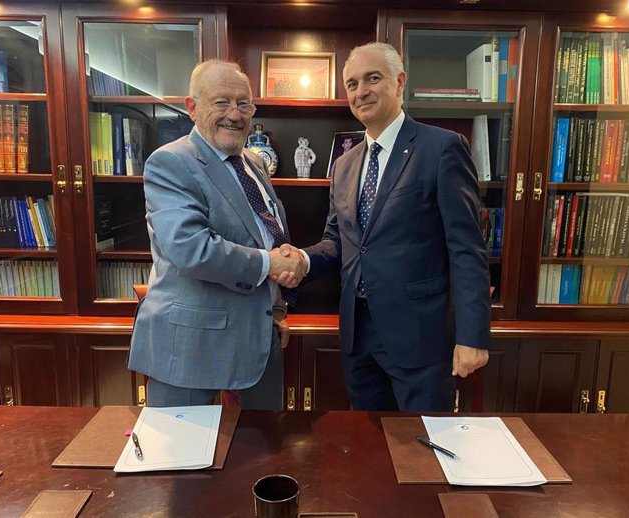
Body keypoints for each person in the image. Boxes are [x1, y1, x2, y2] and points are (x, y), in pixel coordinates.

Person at [277, 42, 490, 412]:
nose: (362, 92)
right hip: (358, 336)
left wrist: (473, 336)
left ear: (399, 81)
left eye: (373, 78)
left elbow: (466, 249)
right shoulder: (344, 164)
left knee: (423, 451)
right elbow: (338, 241)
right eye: (353, 83)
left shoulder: (441, 148)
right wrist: (303, 260)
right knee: (368, 447)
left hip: (420, 338)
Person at [128, 59, 306, 408]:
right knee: (183, 460)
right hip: (192, 351)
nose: (235, 114)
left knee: (262, 454)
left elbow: (266, 235)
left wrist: (277, 310)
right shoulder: (170, 162)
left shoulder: (254, 162)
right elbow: (190, 248)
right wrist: (269, 264)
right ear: (192, 108)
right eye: (221, 102)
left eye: (244, 104)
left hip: (259, 341)